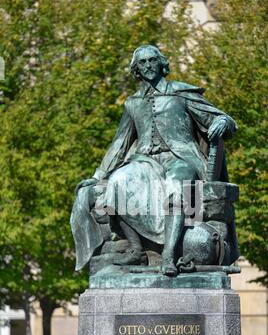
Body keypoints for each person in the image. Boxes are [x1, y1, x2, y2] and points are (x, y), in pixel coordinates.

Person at [71, 45, 237, 276]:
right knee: (118, 181)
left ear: (161, 63)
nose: (148, 66)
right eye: (142, 63)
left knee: (176, 184)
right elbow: (120, 144)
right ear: (136, 68)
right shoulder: (133, 103)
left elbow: (223, 119)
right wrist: (98, 176)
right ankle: (137, 250)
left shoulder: (181, 93)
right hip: (146, 161)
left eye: (152, 61)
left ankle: (168, 255)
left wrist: (223, 123)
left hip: (181, 158)